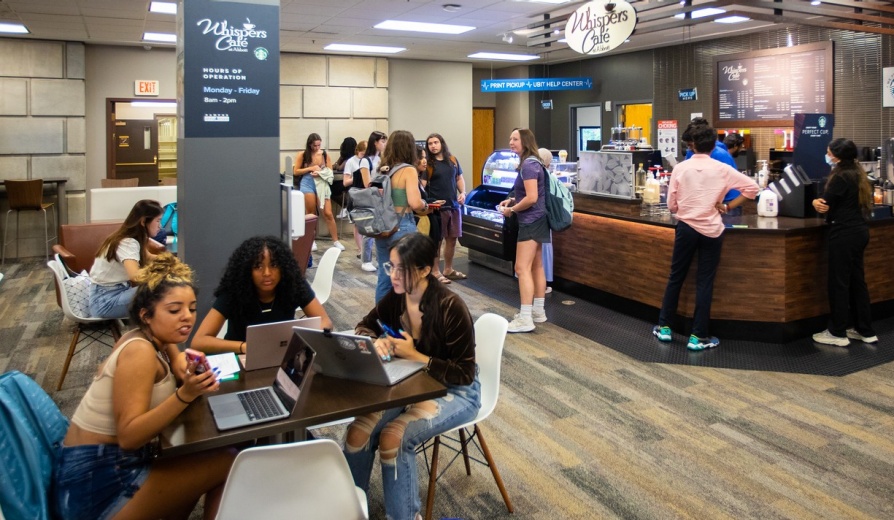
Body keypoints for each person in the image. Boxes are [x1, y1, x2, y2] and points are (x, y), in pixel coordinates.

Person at [53, 254, 234, 520]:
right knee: (229, 460)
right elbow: (129, 437)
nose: (187, 318)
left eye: (192, 309)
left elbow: (177, 361)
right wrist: (185, 395)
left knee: (198, 459)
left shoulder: (152, 337)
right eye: (174, 310)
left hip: (106, 463)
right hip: (96, 479)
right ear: (146, 315)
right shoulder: (139, 352)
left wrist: (189, 368)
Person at [343, 233, 480, 520]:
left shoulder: (450, 306)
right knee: (359, 430)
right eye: (390, 266)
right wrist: (375, 341)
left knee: (396, 437)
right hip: (412, 383)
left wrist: (416, 356)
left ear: (425, 270)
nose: (393, 275)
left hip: (457, 390)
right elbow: (364, 326)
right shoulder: (396, 298)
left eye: (401, 269)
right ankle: (351, 507)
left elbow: (465, 373)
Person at [653, 123, 759, 350]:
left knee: (676, 277)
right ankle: (698, 336)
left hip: (686, 228)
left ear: (692, 144)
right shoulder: (722, 169)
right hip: (712, 230)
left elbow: (671, 205)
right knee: (705, 282)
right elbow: (752, 189)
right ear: (714, 146)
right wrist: (728, 207)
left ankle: (664, 328)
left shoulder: (681, 168)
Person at [191, 236, 333, 354]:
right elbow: (199, 341)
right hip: (241, 357)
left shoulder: (293, 284)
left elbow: (325, 322)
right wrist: (244, 347)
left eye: (274, 265)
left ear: (283, 267)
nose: (267, 273)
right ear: (247, 270)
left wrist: (297, 343)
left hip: (281, 356)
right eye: (258, 266)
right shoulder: (234, 291)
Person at [810, 138, 878, 346]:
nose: (827, 155)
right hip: (859, 231)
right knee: (857, 281)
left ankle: (837, 332)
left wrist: (814, 201)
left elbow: (824, 203)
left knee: (838, 282)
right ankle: (864, 329)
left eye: (829, 152)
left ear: (837, 156)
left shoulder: (841, 176)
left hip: (843, 233)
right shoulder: (859, 174)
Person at [498, 128, 549, 333]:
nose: (511, 142)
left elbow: (531, 198)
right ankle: (538, 311)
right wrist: (513, 199)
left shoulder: (528, 165)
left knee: (521, 268)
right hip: (540, 219)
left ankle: (526, 318)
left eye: (515, 139)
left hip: (530, 221)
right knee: (536, 266)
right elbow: (530, 194)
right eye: (510, 138)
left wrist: (511, 209)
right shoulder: (535, 162)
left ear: (525, 141)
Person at [372, 130, 429, 302]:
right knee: (408, 277)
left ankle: (381, 319)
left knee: (385, 275)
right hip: (403, 226)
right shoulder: (409, 170)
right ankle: (405, 317)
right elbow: (415, 203)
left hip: (383, 228)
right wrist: (426, 206)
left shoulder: (383, 170)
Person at [88, 199, 163, 318]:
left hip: (108, 295)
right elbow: (135, 275)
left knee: (164, 289)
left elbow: (149, 257)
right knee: (162, 291)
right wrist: (162, 275)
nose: (160, 226)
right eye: (158, 221)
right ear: (143, 221)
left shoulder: (133, 237)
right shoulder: (128, 242)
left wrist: (171, 261)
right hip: (104, 301)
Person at [423, 133, 467, 284]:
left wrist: (463, 193)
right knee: (437, 240)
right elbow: (421, 186)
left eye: (436, 142)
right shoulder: (428, 164)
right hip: (437, 208)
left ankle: (448, 269)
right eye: (430, 143)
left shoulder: (452, 160)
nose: (433, 146)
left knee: (452, 239)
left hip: (453, 206)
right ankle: (435, 271)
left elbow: (459, 178)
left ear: (441, 143)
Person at [293, 133, 344, 251]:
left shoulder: (325, 154)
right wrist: (311, 168)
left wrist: (320, 172)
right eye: (315, 145)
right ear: (310, 145)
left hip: (321, 183)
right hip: (307, 182)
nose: (317, 148)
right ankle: (312, 241)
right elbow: (296, 171)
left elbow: (330, 171)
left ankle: (336, 240)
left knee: (328, 213)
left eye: (319, 145)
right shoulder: (303, 154)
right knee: (310, 213)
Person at [683, 118, 741, 214]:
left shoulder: (720, 154)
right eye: (688, 145)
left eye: (691, 144)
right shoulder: (691, 152)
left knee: (726, 228)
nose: (690, 148)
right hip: (707, 202)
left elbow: (735, 183)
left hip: (727, 201)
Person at [344, 140, 376, 272]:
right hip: (356, 193)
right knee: (358, 224)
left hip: (366, 194)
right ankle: (360, 249)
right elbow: (346, 182)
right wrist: (360, 175)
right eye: (362, 153)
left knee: (368, 224)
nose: (364, 156)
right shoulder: (351, 162)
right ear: (358, 151)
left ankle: (365, 251)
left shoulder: (370, 160)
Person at [538, 148, 555, 294]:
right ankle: (544, 282)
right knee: (543, 250)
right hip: (542, 218)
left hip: (531, 218)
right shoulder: (546, 175)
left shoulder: (532, 172)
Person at [332, 136, 357, 218]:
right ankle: (347, 206)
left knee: (331, 188)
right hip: (350, 182)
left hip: (350, 183)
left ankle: (346, 206)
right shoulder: (348, 158)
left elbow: (338, 167)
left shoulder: (349, 160)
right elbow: (334, 166)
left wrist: (337, 163)